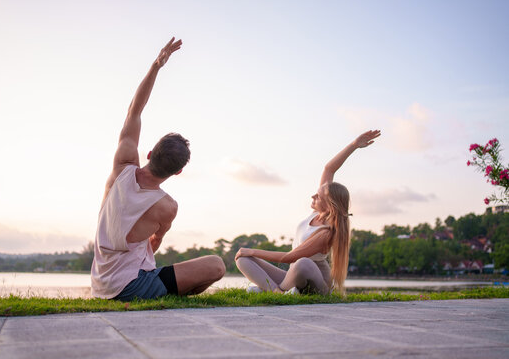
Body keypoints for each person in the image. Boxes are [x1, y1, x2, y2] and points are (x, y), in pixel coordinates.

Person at [91, 38, 225, 301]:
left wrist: (156, 66)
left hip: (101, 285)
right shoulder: (167, 206)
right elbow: (154, 243)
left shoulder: (122, 168)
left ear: (150, 154)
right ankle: (171, 296)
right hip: (132, 286)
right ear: (177, 173)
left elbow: (134, 111)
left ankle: (166, 293)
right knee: (216, 265)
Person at [235, 130, 381, 294]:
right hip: (293, 275)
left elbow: (289, 257)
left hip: (316, 282)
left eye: (318, 197)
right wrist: (354, 145)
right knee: (243, 259)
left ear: (329, 205)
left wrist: (253, 250)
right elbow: (329, 169)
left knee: (302, 262)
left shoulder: (327, 232)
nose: (313, 196)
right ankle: (277, 291)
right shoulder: (315, 215)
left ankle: (274, 291)